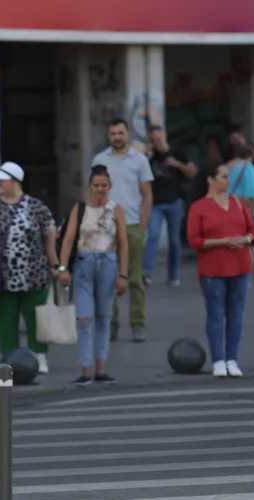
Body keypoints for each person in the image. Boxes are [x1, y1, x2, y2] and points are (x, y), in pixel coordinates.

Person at [0, 162, 59, 374]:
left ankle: (39, 356)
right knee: (6, 320)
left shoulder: (36, 207)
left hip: (34, 274)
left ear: (16, 182)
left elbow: (49, 233)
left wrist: (54, 264)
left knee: (36, 319)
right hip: (0, 276)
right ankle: (9, 358)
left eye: (4, 180)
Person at [58, 165, 128, 386]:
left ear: (110, 187)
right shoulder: (79, 209)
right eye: (96, 186)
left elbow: (123, 244)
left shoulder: (116, 209)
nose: (100, 190)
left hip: (108, 261)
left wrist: (123, 275)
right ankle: (85, 370)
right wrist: (63, 268)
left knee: (104, 318)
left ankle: (100, 368)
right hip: (84, 262)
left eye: (104, 186)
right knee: (85, 318)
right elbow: (68, 239)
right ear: (90, 186)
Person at [187, 162, 254, 378]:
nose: (228, 180)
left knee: (236, 314)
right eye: (224, 176)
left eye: (228, 176)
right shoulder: (199, 207)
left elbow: (253, 229)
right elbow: (194, 241)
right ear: (211, 179)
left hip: (240, 265)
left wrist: (245, 239)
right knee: (216, 314)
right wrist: (223, 242)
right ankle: (218, 359)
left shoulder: (237, 202)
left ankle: (232, 359)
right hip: (213, 268)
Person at [91, 118, 154, 343]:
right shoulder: (100, 160)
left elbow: (147, 194)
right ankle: (111, 324)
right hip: (106, 226)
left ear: (127, 134)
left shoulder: (140, 160)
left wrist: (143, 226)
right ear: (109, 136)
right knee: (108, 278)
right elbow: (94, 193)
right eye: (113, 133)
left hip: (133, 224)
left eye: (120, 133)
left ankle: (138, 323)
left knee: (135, 278)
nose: (117, 137)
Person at [144, 125, 197, 286]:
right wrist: (146, 156)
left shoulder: (177, 152)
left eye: (158, 139)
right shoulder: (149, 156)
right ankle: (146, 274)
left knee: (174, 240)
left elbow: (193, 172)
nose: (156, 142)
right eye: (153, 140)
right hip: (155, 204)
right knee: (152, 236)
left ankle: (173, 275)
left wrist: (177, 165)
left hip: (174, 201)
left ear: (164, 137)